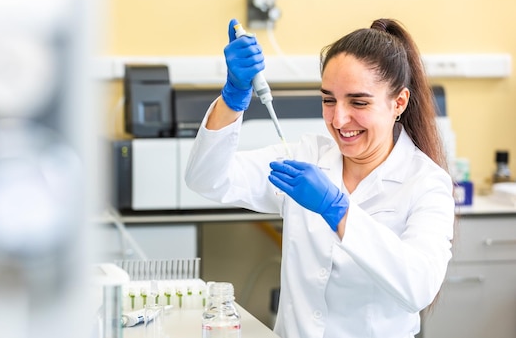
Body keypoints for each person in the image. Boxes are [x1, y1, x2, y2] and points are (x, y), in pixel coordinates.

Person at [185, 18, 455, 338]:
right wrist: (232, 99)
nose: (339, 119)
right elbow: (207, 179)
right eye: (328, 99)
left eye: (358, 102)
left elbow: (418, 287)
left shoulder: (426, 183)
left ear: (399, 103)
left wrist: (339, 210)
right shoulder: (307, 157)